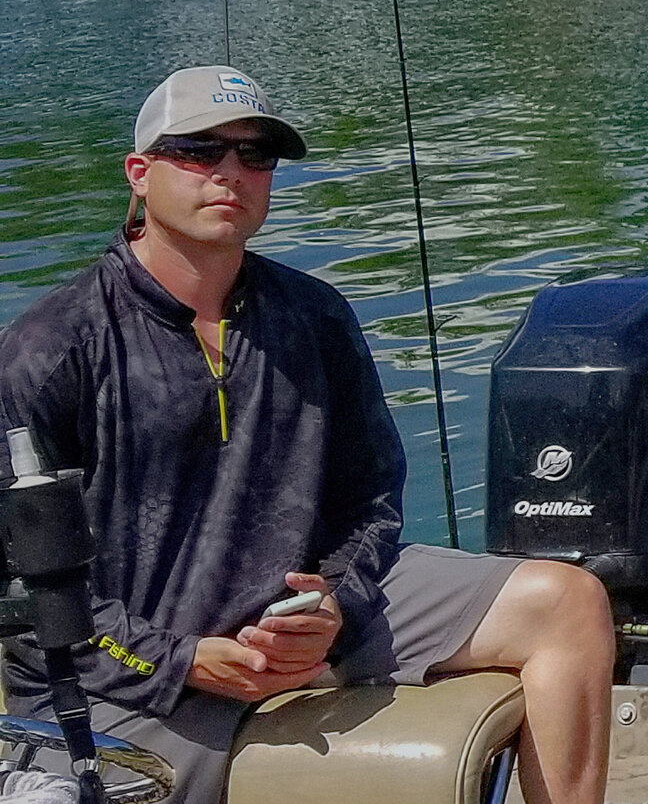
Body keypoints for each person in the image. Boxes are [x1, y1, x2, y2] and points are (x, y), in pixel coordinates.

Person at [0, 66, 615, 804]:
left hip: (299, 619)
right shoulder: (49, 348)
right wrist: (179, 659)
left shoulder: (315, 314)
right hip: (129, 674)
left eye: (256, 155)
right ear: (140, 174)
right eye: (199, 151)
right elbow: (24, 590)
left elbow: (371, 498)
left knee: (566, 604)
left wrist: (333, 604)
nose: (230, 172)